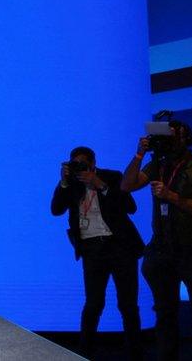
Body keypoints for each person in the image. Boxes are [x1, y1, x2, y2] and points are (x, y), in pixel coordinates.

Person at [51, 146, 144, 359]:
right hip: (92, 250)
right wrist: (64, 182)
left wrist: (101, 185)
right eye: (75, 164)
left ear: (93, 163)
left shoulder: (112, 176)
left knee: (128, 305)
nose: (80, 168)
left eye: (83, 164)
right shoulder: (71, 184)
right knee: (93, 304)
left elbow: (130, 207)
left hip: (121, 248)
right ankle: (84, 353)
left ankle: (136, 354)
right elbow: (56, 210)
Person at [122, 120, 192, 360]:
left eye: (174, 134)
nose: (168, 139)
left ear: (185, 137)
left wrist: (172, 197)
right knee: (165, 314)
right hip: (162, 249)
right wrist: (139, 154)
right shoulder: (158, 164)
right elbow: (127, 185)